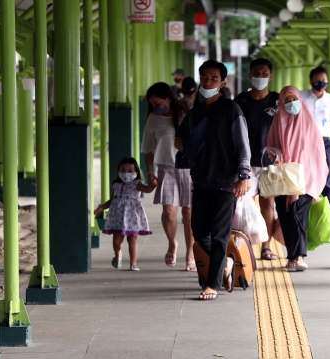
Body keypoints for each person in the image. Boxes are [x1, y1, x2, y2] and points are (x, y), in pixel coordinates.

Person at [175, 60, 251, 300]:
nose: (208, 82)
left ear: (222, 82)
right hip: (201, 179)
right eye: (204, 78)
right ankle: (226, 262)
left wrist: (244, 175)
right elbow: (181, 139)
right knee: (199, 231)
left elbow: (243, 145)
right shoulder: (196, 112)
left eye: (213, 79)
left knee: (219, 234)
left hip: (227, 181)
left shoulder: (231, 109)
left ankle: (212, 285)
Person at [267, 86, 328, 272]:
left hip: (305, 179)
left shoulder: (309, 124)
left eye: (293, 99)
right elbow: (271, 146)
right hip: (283, 179)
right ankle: (292, 256)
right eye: (286, 100)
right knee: (285, 217)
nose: (290, 103)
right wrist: (277, 155)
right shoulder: (278, 122)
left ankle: (298, 256)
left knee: (297, 216)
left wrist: (316, 185)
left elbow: (317, 154)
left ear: (300, 99)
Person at [141, 82, 195, 270]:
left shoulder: (185, 113)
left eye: (158, 103)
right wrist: (150, 172)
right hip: (166, 168)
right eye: (152, 104)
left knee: (189, 213)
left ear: (168, 98)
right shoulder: (153, 120)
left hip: (189, 168)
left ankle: (190, 253)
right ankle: (172, 243)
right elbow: (147, 148)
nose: (156, 107)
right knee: (169, 212)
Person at [234, 58, 279, 261]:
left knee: (268, 205)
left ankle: (266, 247)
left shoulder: (278, 101)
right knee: (243, 204)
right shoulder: (240, 100)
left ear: (270, 76)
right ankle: (246, 245)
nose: (260, 76)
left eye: (264, 73)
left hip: (271, 163)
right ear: (250, 75)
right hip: (246, 163)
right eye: (256, 73)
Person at [95, 157, 157, 271]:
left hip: (132, 216)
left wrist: (152, 185)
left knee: (132, 239)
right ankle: (118, 253)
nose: (126, 173)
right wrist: (102, 207)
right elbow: (112, 200)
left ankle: (133, 264)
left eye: (130, 171)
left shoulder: (137, 184)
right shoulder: (116, 184)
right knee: (117, 241)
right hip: (118, 217)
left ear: (136, 172)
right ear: (118, 171)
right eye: (123, 170)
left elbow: (147, 189)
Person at [300, 67, 330, 204]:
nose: (321, 82)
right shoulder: (301, 97)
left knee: (328, 173)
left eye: (324, 80)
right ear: (311, 81)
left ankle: (326, 207)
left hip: (325, 141)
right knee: (307, 174)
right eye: (318, 80)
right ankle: (307, 206)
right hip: (306, 142)